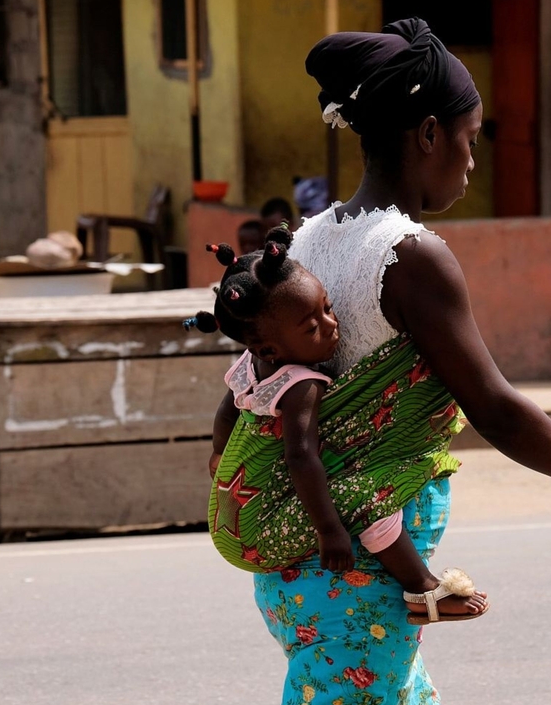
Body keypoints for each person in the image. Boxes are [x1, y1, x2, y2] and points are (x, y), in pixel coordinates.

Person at [230, 18, 551, 705]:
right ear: (428, 133)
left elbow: (244, 390)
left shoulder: (300, 247)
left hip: (305, 570)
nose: (472, 158)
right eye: (470, 136)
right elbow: (493, 406)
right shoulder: (408, 256)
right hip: (358, 581)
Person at [187, 227, 488, 623]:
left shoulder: (250, 366)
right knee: (369, 497)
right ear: (269, 349)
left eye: (327, 308)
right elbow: (301, 457)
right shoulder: (301, 385)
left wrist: (219, 452)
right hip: (259, 530)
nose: (330, 325)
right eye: (311, 327)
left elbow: (227, 411)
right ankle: (421, 588)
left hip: (233, 516)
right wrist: (329, 530)